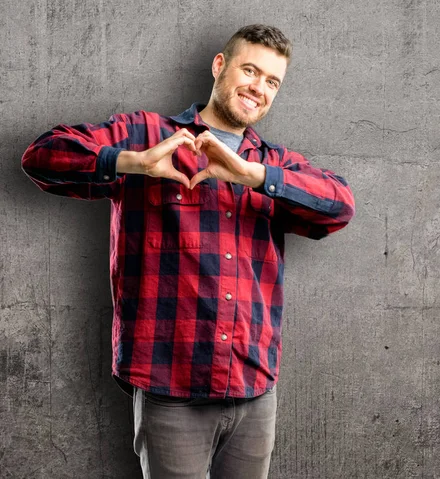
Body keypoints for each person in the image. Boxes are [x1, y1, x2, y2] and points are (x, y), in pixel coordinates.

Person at [22, 24, 355, 478]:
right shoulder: (149, 134)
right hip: (170, 388)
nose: (258, 88)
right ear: (220, 66)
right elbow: (43, 155)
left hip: (253, 389)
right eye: (250, 70)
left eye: (272, 81)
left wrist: (254, 177)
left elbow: (339, 205)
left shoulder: (272, 165)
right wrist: (132, 162)